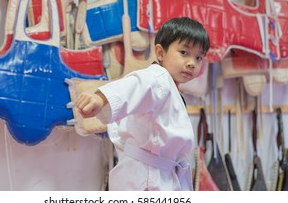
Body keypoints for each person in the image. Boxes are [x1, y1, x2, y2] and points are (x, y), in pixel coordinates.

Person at [75, 17, 210, 191]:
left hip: (156, 173)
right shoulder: (156, 78)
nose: (192, 63)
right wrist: (101, 99)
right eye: (184, 53)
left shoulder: (170, 87)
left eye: (199, 57)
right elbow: (132, 86)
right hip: (147, 179)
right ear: (160, 53)